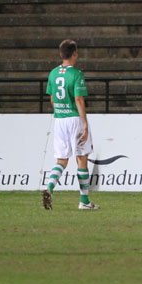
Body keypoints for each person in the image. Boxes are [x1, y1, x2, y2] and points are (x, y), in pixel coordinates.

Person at [42, 39, 99, 211]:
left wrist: (61, 110)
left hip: (59, 120)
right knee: (82, 159)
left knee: (62, 160)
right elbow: (79, 99)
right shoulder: (76, 74)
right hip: (75, 119)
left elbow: (52, 99)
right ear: (74, 53)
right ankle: (84, 201)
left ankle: (49, 187)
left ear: (61, 54)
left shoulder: (52, 74)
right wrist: (84, 123)